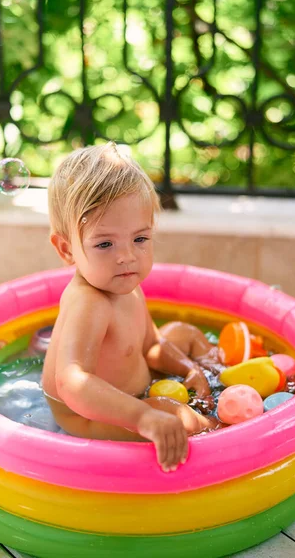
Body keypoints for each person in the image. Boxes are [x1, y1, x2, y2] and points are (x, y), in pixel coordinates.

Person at [42, 141, 222, 473]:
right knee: (176, 416)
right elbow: (71, 383)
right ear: (67, 250)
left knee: (182, 333)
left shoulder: (125, 284)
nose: (127, 256)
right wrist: (144, 415)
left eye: (140, 239)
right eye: (105, 243)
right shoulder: (89, 301)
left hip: (140, 387)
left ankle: (213, 372)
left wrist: (189, 369)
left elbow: (151, 346)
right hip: (89, 417)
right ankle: (222, 430)